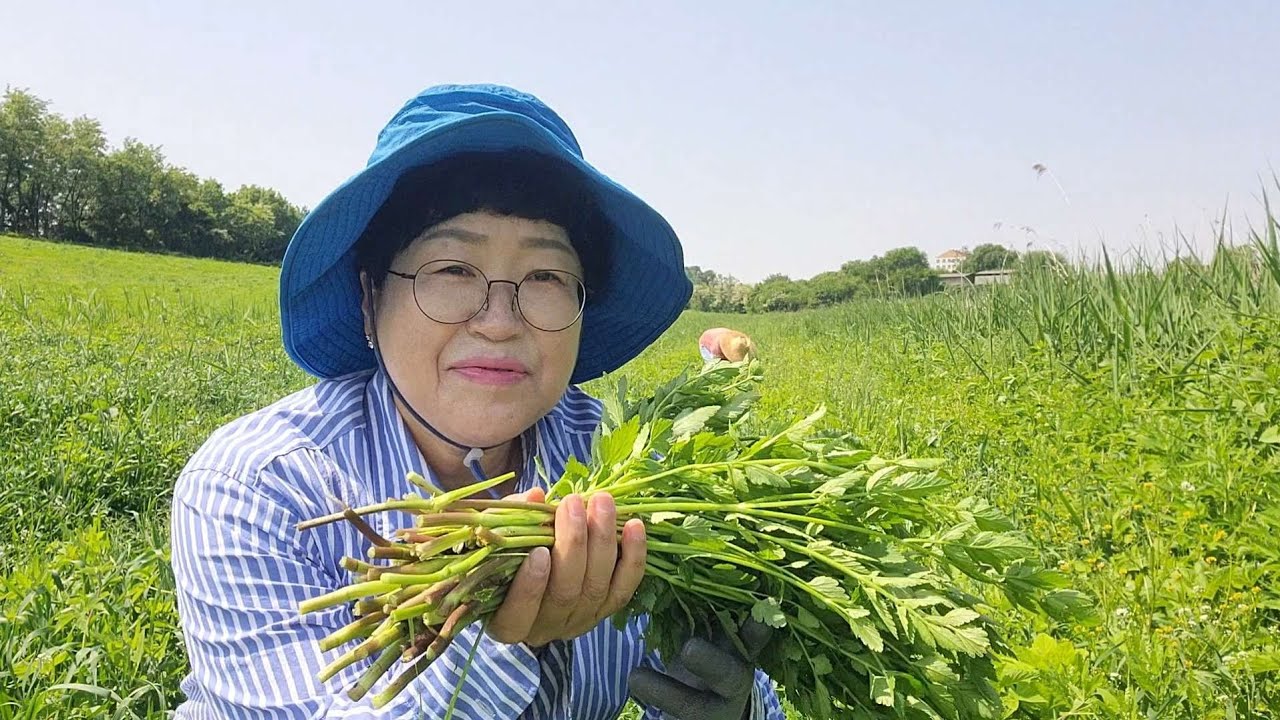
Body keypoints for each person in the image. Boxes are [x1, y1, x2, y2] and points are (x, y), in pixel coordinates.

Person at [169, 83, 785, 719]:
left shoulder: (640, 468)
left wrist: (737, 711)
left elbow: (713, 677)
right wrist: (485, 643)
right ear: (368, 300)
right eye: (452, 270)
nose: (499, 321)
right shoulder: (259, 485)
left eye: (545, 277)